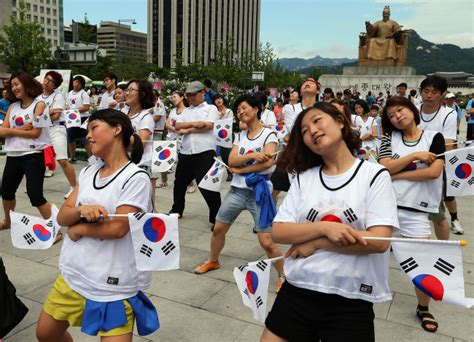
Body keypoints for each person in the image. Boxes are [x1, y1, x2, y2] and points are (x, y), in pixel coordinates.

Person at [261, 103, 399, 342]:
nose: (311, 131)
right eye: (303, 130)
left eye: (317, 121)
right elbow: (279, 231)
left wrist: (317, 244)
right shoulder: (305, 179)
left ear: (340, 121)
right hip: (298, 290)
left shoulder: (374, 175)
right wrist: (325, 228)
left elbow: (378, 240)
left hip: (351, 298)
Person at [36, 108, 159, 341]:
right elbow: (62, 216)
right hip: (74, 274)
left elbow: (118, 228)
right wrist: (81, 210)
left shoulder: (135, 177)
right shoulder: (88, 172)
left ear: (117, 129)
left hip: (113, 284)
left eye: (94, 127)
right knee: (45, 334)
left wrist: (79, 228)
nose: (88, 135)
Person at [194, 94, 285, 290]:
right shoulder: (240, 136)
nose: (240, 112)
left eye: (244, 108)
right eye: (238, 110)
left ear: (256, 109)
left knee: (266, 241)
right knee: (218, 229)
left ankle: (283, 275)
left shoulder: (269, 135)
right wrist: (253, 155)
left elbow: (268, 163)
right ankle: (213, 260)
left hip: (258, 193)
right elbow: (231, 160)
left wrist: (241, 169)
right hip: (236, 191)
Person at [379, 96, 445, 333]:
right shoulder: (388, 138)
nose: (397, 117)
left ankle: (423, 307)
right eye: (392, 116)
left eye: (400, 110)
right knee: (372, 254)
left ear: (411, 109)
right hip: (385, 207)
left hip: (416, 210)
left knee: (422, 262)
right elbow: (383, 166)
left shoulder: (433, 137)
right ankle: (364, 295)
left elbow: (434, 172)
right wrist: (414, 157)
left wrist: (396, 174)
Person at [0, 72, 53, 230]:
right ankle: (8, 221)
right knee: (6, 191)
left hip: (34, 156)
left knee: (35, 195)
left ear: (27, 84)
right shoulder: (12, 106)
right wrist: (22, 128)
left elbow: (35, 133)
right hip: (13, 155)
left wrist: (12, 130)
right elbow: (2, 132)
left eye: (17, 84)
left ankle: (53, 227)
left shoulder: (40, 105)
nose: (14, 88)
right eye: (12, 86)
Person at [170, 81, 221, 226]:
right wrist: (195, 124)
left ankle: (217, 217)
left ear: (202, 93)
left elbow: (209, 126)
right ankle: (176, 210)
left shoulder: (211, 108)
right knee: (179, 183)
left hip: (204, 151)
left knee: (207, 186)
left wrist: (188, 129)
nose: (191, 97)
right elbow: (177, 126)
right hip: (186, 151)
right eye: (189, 95)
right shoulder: (186, 111)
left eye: (194, 94)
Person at [417, 76, 461, 237]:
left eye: (434, 92)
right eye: (426, 91)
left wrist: (430, 158)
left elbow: (447, 144)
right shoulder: (413, 110)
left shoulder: (448, 114)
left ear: (443, 94)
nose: (429, 95)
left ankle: (443, 249)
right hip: (411, 164)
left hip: (434, 166)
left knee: (436, 213)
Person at [271, 79, 319, 205]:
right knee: (273, 190)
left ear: (318, 90)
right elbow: (294, 130)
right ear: (301, 91)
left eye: (311, 82)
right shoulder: (290, 107)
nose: (307, 83)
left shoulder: (322, 109)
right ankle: (267, 221)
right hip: (292, 155)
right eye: (304, 83)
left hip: (314, 157)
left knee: (309, 193)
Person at [39, 71, 77, 198]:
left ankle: (75, 187)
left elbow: (56, 116)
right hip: (41, 130)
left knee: (62, 160)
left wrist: (42, 114)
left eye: (51, 81)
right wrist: (47, 111)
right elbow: (34, 114)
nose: (47, 82)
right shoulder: (37, 96)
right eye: (46, 79)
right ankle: (35, 186)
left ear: (55, 85)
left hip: (56, 130)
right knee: (37, 161)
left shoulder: (58, 96)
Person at [122, 80, 155, 204]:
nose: (127, 93)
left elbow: (139, 145)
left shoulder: (145, 117)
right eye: (127, 90)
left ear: (142, 94)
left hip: (140, 166)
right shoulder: (123, 113)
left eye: (131, 90)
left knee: (141, 205)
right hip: (124, 164)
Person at [66, 76, 91, 164]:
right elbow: (66, 105)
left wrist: (73, 109)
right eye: (74, 82)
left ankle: (91, 159)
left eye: (78, 83)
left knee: (85, 139)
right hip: (71, 118)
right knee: (70, 138)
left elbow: (86, 107)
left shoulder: (83, 93)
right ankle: (72, 157)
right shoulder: (69, 93)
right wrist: (68, 109)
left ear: (81, 84)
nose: (76, 84)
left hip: (82, 118)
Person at [213, 93, 235, 182]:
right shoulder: (214, 113)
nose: (219, 100)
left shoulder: (229, 111)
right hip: (219, 137)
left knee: (229, 155)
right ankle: (229, 172)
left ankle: (232, 172)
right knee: (224, 156)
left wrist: (221, 116)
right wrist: (219, 116)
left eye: (220, 98)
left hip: (228, 136)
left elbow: (229, 123)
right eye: (216, 99)